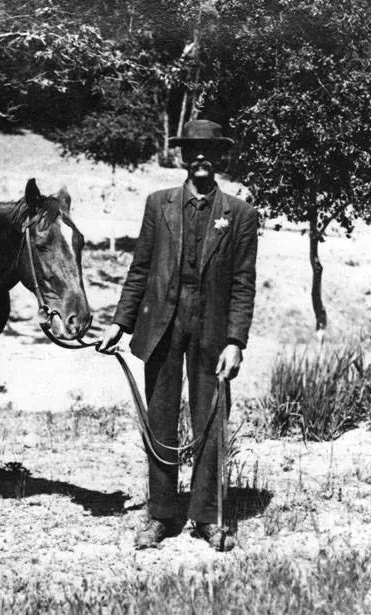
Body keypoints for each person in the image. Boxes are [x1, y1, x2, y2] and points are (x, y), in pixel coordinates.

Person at [97, 119, 258, 551]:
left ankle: (207, 517)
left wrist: (235, 342)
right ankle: (161, 514)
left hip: (213, 330)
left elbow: (243, 283)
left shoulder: (240, 213)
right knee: (161, 420)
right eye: (193, 150)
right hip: (163, 326)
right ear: (183, 157)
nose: (200, 158)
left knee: (211, 419)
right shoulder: (158, 204)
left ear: (220, 157)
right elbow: (141, 269)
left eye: (209, 151)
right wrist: (120, 322)